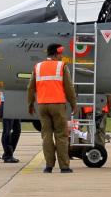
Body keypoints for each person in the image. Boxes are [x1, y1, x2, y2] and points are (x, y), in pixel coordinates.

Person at [27, 44, 77, 173]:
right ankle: (64, 166)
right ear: (55, 54)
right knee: (61, 135)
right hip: (57, 105)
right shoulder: (61, 66)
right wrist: (73, 103)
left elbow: (30, 88)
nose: (62, 56)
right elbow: (69, 88)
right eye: (60, 54)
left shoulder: (37, 67)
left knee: (46, 135)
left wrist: (30, 104)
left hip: (42, 105)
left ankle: (49, 166)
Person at [0, 92, 21, 163]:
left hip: (16, 103)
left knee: (17, 130)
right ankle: (8, 155)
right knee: (7, 131)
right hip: (7, 102)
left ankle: (8, 152)